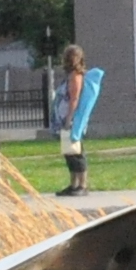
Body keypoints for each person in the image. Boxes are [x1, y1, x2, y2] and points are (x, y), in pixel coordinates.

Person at [54, 42, 92, 195]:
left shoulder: (76, 76)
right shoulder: (69, 76)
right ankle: (73, 183)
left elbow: (74, 99)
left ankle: (82, 185)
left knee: (76, 151)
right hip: (65, 118)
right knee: (69, 151)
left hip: (73, 119)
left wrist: (69, 119)